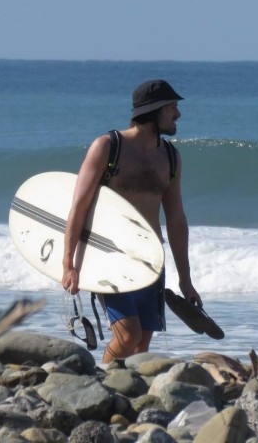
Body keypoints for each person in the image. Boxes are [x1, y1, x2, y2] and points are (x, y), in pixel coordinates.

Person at [62, 79, 202, 364]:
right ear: (153, 111)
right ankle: (100, 378)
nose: (178, 114)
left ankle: (125, 396)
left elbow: (176, 220)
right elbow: (79, 205)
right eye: (172, 107)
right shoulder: (107, 147)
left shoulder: (171, 158)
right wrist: (69, 265)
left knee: (142, 346)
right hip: (109, 256)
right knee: (128, 335)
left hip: (151, 260)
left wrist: (185, 280)